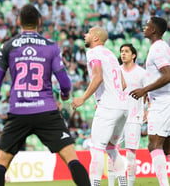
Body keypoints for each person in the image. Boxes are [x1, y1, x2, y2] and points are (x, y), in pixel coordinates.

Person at [0, 5, 90, 186]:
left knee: (1, 162)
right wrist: (65, 94)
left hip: (18, 112)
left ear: (19, 22)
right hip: (46, 111)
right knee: (71, 158)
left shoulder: (8, 46)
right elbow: (65, 82)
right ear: (39, 22)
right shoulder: (51, 47)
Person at [71, 27, 128, 186]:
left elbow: (97, 77)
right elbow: (123, 83)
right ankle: (123, 184)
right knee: (112, 149)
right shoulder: (110, 54)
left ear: (95, 38)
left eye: (88, 33)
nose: (84, 35)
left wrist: (82, 98)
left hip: (109, 107)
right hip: (122, 107)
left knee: (96, 149)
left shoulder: (93, 53)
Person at [129, 17, 170, 186]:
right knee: (166, 147)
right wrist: (148, 89)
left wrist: (144, 90)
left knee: (154, 145)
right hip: (161, 99)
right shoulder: (159, 47)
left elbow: (168, 74)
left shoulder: (159, 48)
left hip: (163, 101)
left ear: (154, 30)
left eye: (147, 25)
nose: (144, 27)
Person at [107, 44, 146, 186]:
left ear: (133, 55)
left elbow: (148, 92)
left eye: (126, 51)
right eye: (121, 51)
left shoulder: (142, 73)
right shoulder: (116, 72)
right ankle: (111, 184)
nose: (123, 54)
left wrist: (147, 110)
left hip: (134, 117)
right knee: (112, 151)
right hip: (117, 117)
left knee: (130, 154)